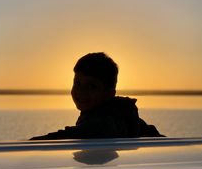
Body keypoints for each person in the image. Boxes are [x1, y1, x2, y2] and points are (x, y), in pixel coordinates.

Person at [30, 52, 164, 140]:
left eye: (92, 87)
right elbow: (150, 132)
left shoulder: (108, 121)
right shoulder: (123, 112)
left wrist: (31, 143)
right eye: (77, 83)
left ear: (109, 94)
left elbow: (79, 134)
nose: (81, 91)